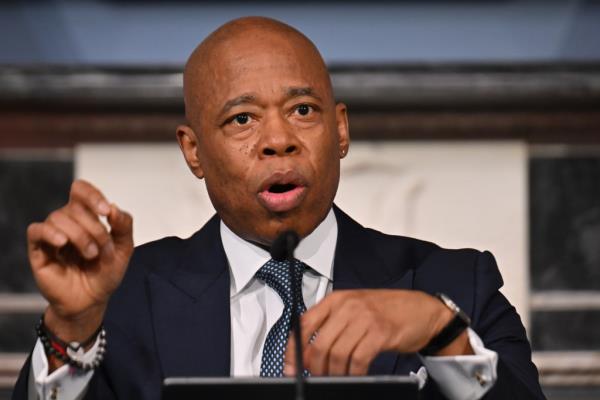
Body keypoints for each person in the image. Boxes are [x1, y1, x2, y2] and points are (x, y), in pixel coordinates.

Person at [13, 17, 545, 400]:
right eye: (241, 119)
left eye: (302, 110)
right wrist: (70, 327)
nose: (278, 141)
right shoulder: (123, 300)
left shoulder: (455, 286)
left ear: (340, 130)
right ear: (193, 151)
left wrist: (442, 334)